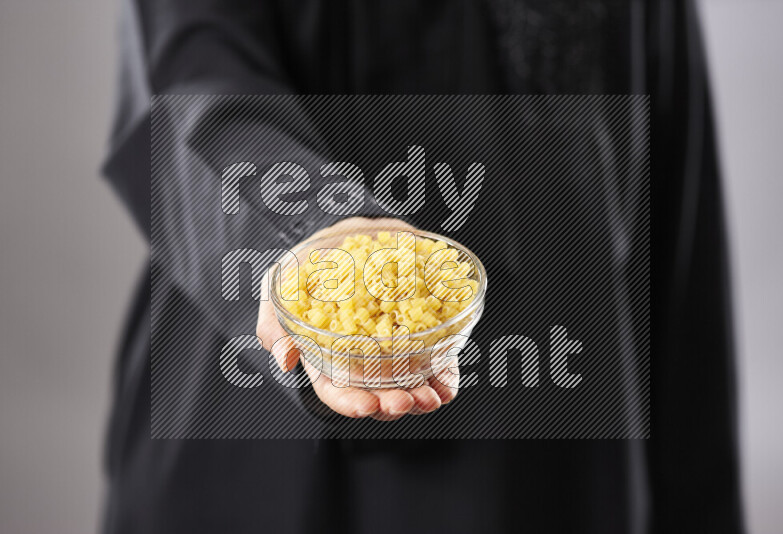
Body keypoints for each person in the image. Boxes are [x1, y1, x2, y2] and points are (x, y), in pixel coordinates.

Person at [102, 0, 743, 532]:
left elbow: (674, 222)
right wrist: (316, 240)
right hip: (255, 449)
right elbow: (189, 79)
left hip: (551, 461)